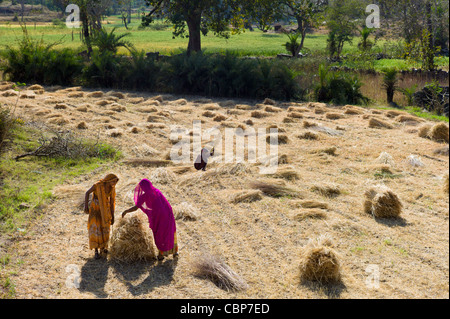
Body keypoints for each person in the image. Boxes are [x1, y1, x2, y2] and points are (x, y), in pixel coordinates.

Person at [121, 179, 178, 261]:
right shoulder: (157, 191)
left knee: (160, 234)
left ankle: (161, 255)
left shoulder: (145, 196)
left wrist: (126, 211)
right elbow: (166, 203)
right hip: (168, 213)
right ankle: (175, 252)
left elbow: (136, 207)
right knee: (170, 232)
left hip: (159, 217)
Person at [84, 174, 119, 259]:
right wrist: (86, 206)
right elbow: (87, 192)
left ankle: (103, 248)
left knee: (105, 227)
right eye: (113, 181)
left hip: (105, 210)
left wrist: (112, 215)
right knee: (96, 228)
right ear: (108, 180)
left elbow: (111, 202)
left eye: (115, 181)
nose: (114, 183)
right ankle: (96, 251)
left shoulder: (112, 188)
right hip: (95, 209)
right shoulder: (98, 185)